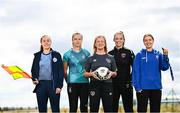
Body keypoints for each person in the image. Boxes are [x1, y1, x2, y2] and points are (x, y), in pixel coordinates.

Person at [132, 33, 170, 113]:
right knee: (142, 111)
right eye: (145, 40)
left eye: (150, 40)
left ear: (153, 41)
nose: (148, 42)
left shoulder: (158, 54)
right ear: (143, 42)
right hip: (142, 89)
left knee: (155, 111)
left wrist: (165, 56)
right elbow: (135, 71)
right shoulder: (139, 55)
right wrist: (137, 87)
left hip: (156, 87)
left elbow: (164, 67)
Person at [31, 35, 64, 113]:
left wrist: (59, 86)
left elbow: (60, 71)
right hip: (40, 85)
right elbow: (33, 70)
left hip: (53, 85)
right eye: (44, 41)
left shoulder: (57, 55)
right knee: (42, 110)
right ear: (41, 43)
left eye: (48, 40)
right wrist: (34, 79)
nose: (46, 42)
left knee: (55, 110)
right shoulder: (37, 56)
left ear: (51, 42)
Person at [84, 35, 117, 112]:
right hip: (94, 85)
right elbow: (85, 73)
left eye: (102, 41)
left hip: (108, 85)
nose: (100, 43)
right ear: (95, 44)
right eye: (98, 41)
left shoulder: (111, 57)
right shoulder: (90, 58)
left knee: (108, 109)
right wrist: (92, 74)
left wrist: (112, 73)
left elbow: (115, 73)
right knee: (93, 109)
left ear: (105, 43)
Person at [63, 32, 90, 113]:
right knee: (73, 108)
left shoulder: (86, 53)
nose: (77, 41)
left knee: (84, 108)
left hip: (85, 83)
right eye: (75, 39)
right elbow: (64, 71)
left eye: (79, 39)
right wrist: (68, 82)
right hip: (72, 84)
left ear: (82, 40)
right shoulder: (66, 54)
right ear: (72, 41)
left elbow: (89, 69)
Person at [108, 31, 134, 113]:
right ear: (114, 40)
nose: (118, 40)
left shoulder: (129, 52)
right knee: (112, 108)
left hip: (126, 84)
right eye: (116, 39)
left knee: (128, 108)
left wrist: (130, 79)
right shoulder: (109, 53)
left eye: (120, 38)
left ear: (123, 40)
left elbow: (135, 68)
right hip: (113, 84)